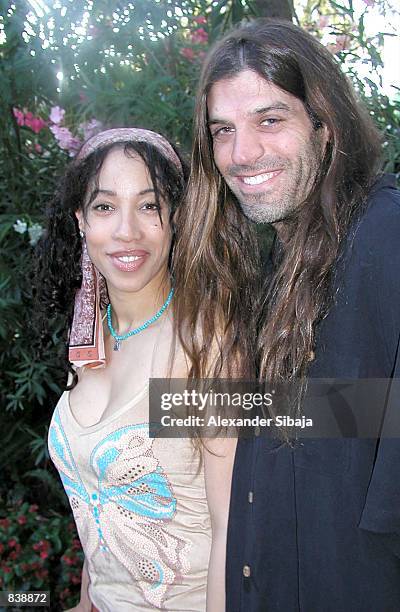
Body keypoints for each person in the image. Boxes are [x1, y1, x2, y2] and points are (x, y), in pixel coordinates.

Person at [173, 18, 400, 612]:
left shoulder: (386, 235)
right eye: (223, 131)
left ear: (325, 127)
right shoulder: (276, 263)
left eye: (269, 120)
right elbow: (324, 413)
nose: (242, 154)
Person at [35, 128, 239, 611]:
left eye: (149, 206)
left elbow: (231, 527)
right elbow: (102, 499)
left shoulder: (202, 346)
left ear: (177, 218)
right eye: (105, 207)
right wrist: (87, 602)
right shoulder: (87, 336)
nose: (127, 230)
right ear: (81, 220)